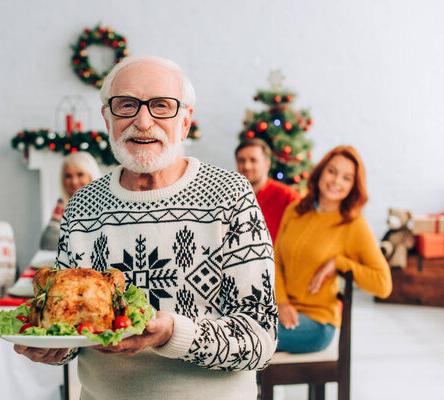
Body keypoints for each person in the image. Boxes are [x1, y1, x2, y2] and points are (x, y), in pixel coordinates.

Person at [14, 55, 278, 400]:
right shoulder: (81, 206)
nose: (142, 120)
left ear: (185, 121)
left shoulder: (230, 195)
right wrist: (53, 347)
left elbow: (259, 339)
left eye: (161, 106)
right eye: (126, 105)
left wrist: (172, 334)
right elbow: (70, 330)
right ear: (107, 118)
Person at [274, 145, 392, 353]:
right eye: (332, 171)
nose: (336, 181)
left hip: (317, 324)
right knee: (241, 328)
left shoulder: (354, 225)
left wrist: (340, 263)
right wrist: (282, 302)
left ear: (353, 186)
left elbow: (383, 285)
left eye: (347, 178)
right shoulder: (295, 211)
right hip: (279, 311)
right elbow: (275, 261)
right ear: (320, 172)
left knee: (250, 336)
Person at [235, 138, 300, 243]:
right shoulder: (231, 197)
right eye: (241, 160)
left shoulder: (288, 196)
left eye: (253, 160)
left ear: (267, 165)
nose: (246, 166)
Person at [39, 151, 101, 250]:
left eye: (80, 174)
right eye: (68, 176)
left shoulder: (104, 203)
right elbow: (48, 242)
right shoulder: (63, 204)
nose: (74, 182)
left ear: (91, 175)